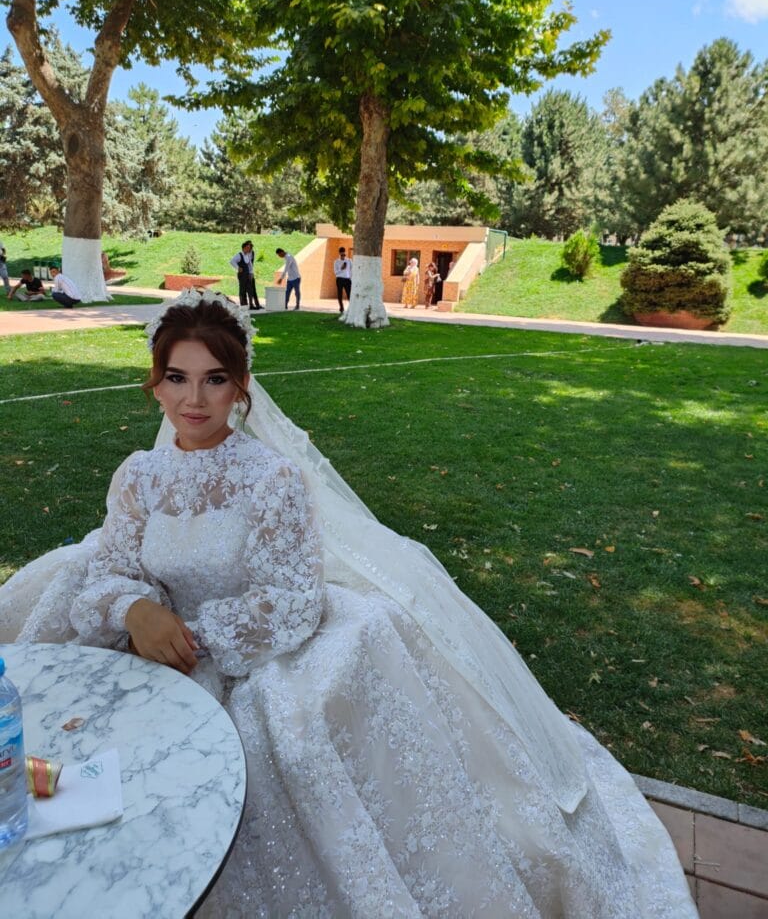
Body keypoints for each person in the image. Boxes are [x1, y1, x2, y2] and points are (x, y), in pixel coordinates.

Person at [2, 293, 698, 917]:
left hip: (241, 649)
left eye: (214, 378)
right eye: (176, 377)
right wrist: (134, 612)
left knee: (280, 743)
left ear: (241, 387)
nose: (194, 399)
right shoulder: (140, 475)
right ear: (154, 383)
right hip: (154, 643)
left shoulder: (271, 477)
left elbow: (289, 599)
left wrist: (189, 636)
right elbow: (111, 567)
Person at [230, 240, 262, 311]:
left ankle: (251, 305)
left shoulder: (247, 255)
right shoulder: (239, 255)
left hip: (248, 275)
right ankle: (243, 305)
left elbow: (250, 265)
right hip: (242, 275)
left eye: (249, 248)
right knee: (242, 290)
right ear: (244, 248)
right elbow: (232, 261)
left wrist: (251, 273)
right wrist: (238, 268)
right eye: (248, 248)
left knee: (250, 290)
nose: (249, 249)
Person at [333, 246, 352, 314]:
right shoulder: (336, 262)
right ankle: (341, 308)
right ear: (339, 254)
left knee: (349, 294)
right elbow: (335, 272)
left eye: (344, 255)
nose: (343, 256)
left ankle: (351, 308)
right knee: (340, 294)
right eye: (342, 255)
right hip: (339, 279)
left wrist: (351, 278)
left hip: (347, 279)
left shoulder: (349, 261)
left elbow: (352, 269)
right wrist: (341, 268)